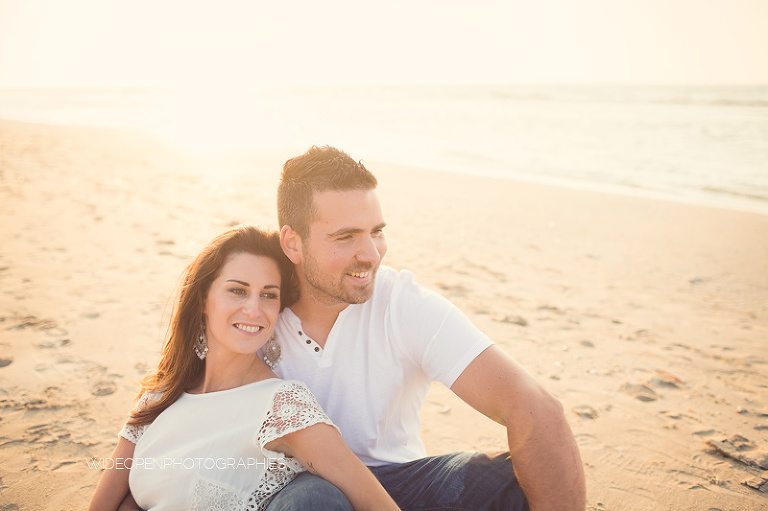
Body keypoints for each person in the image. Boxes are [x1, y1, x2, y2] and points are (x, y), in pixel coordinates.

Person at [266, 146, 587, 511]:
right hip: (299, 490)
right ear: (292, 243)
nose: (371, 253)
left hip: (401, 485)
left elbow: (535, 408)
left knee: (510, 478)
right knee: (313, 498)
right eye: (346, 237)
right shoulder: (256, 312)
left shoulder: (402, 304)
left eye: (376, 232)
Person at [89, 226, 399, 511]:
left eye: (268, 295)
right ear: (203, 299)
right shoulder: (159, 396)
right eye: (238, 290)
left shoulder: (283, 407)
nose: (253, 310)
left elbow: (376, 503)